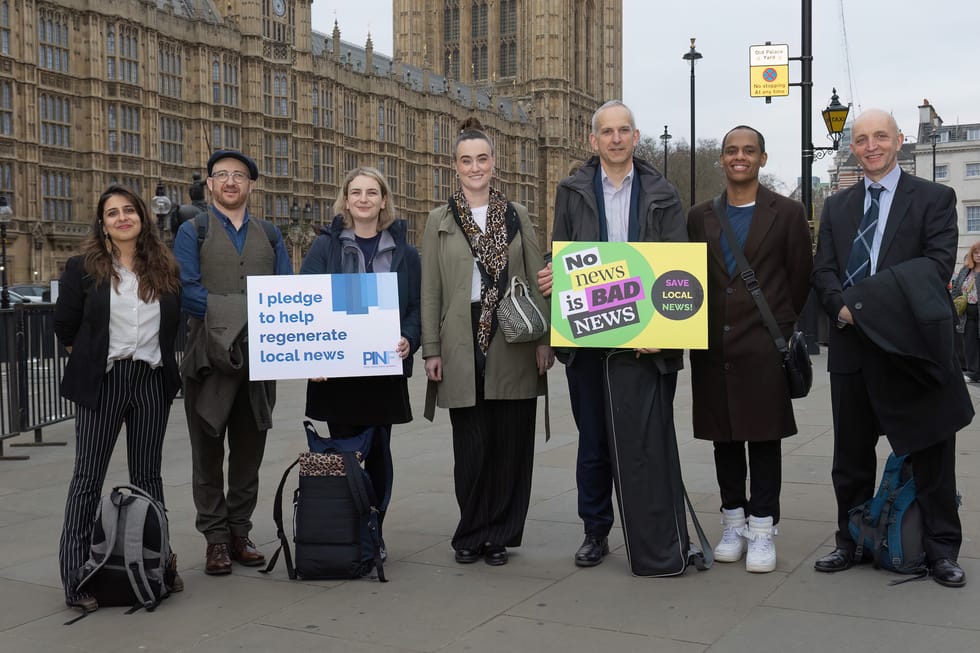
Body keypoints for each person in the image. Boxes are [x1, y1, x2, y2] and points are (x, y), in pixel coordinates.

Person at [811, 109, 973, 588]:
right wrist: (841, 309)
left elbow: (934, 267)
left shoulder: (935, 198)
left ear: (899, 140)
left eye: (880, 136)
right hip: (853, 350)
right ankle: (851, 540)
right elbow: (824, 271)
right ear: (854, 148)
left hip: (911, 349)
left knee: (932, 456)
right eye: (861, 139)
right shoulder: (837, 207)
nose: (871, 146)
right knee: (851, 459)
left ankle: (942, 550)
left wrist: (859, 305)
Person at [537, 100, 687, 567]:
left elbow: (677, 268)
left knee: (645, 442)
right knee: (594, 441)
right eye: (607, 132)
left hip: (646, 341)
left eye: (624, 130)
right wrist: (551, 272)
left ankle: (649, 534)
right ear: (593, 140)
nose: (616, 138)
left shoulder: (664, 192)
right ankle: (595, 531)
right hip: (589, 337)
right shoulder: (571, 190)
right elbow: (559, 252)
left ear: (636, 137)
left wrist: (667, 334)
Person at [421, 117, 551, 566]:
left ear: (494, 163)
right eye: (465, 160)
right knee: (471, 445)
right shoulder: (439, 219)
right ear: (454, 167)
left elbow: (537, 279)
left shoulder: (517, 215)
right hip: (461, 334)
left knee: (511, 442)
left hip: (512, 333)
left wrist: (544, 339)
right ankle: (471, 532)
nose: (475, 167)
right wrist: (431, 349)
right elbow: (430, 289)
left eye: (482, 158)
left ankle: (498, 535)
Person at [686, 126, 812, 573]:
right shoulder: (700, 215)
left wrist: (775, 325)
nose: (739, 157)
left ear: (762, 158)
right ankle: (733, 523)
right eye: (731, 151)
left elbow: (800, 279)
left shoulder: (788, 212)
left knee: (763, 440)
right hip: (713, 346)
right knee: (724, 440)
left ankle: (762, 529)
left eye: (748, 151)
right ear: (720, 159)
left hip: (763, 345)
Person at [55, 184, 183, 612]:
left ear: (143, 218)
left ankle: (159, 564)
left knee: (150, 478)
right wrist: (94, 359)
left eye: (130, 210)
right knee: (87, 480)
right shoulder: (82, 268)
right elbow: (66, 327)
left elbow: (173, 325)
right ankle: (76, 577)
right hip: (104, 381)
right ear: (103, 224)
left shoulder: (164, 269)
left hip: (150, 380)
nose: (122, 218)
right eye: (113, 213)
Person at [173, 149, 292, 575]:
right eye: (221, 175)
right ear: (209, 184)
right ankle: (215, 540)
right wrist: (248, 309)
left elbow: (286, 294)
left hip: (260, 358)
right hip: (207, 357)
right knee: (206, 452)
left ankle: (240, 532)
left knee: (248, 451)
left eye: (238, 176)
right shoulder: (194, 232)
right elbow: (186, 290)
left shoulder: (272, 234)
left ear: (251, 186)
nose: (229, 182)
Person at [301, 166, 421, 541]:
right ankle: (347, 533)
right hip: (338, 373)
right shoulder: (326, 246)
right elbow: (307, 302)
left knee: (380, 454)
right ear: (346, 200)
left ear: (383, 200)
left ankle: (374, 530)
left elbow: (416, 307)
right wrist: (312, 356)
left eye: (372, 193)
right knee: (342, 456)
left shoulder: (404, 253)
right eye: (356, 193)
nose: (364, 199)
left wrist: (408, 338)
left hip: (382, 371)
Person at [951, 242, 980, 381]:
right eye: (976, 252)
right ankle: (972, 372)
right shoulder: (965, 270)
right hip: (967, 312)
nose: (978, 255)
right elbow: (956, 288)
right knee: (969, 343)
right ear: (971, 254)